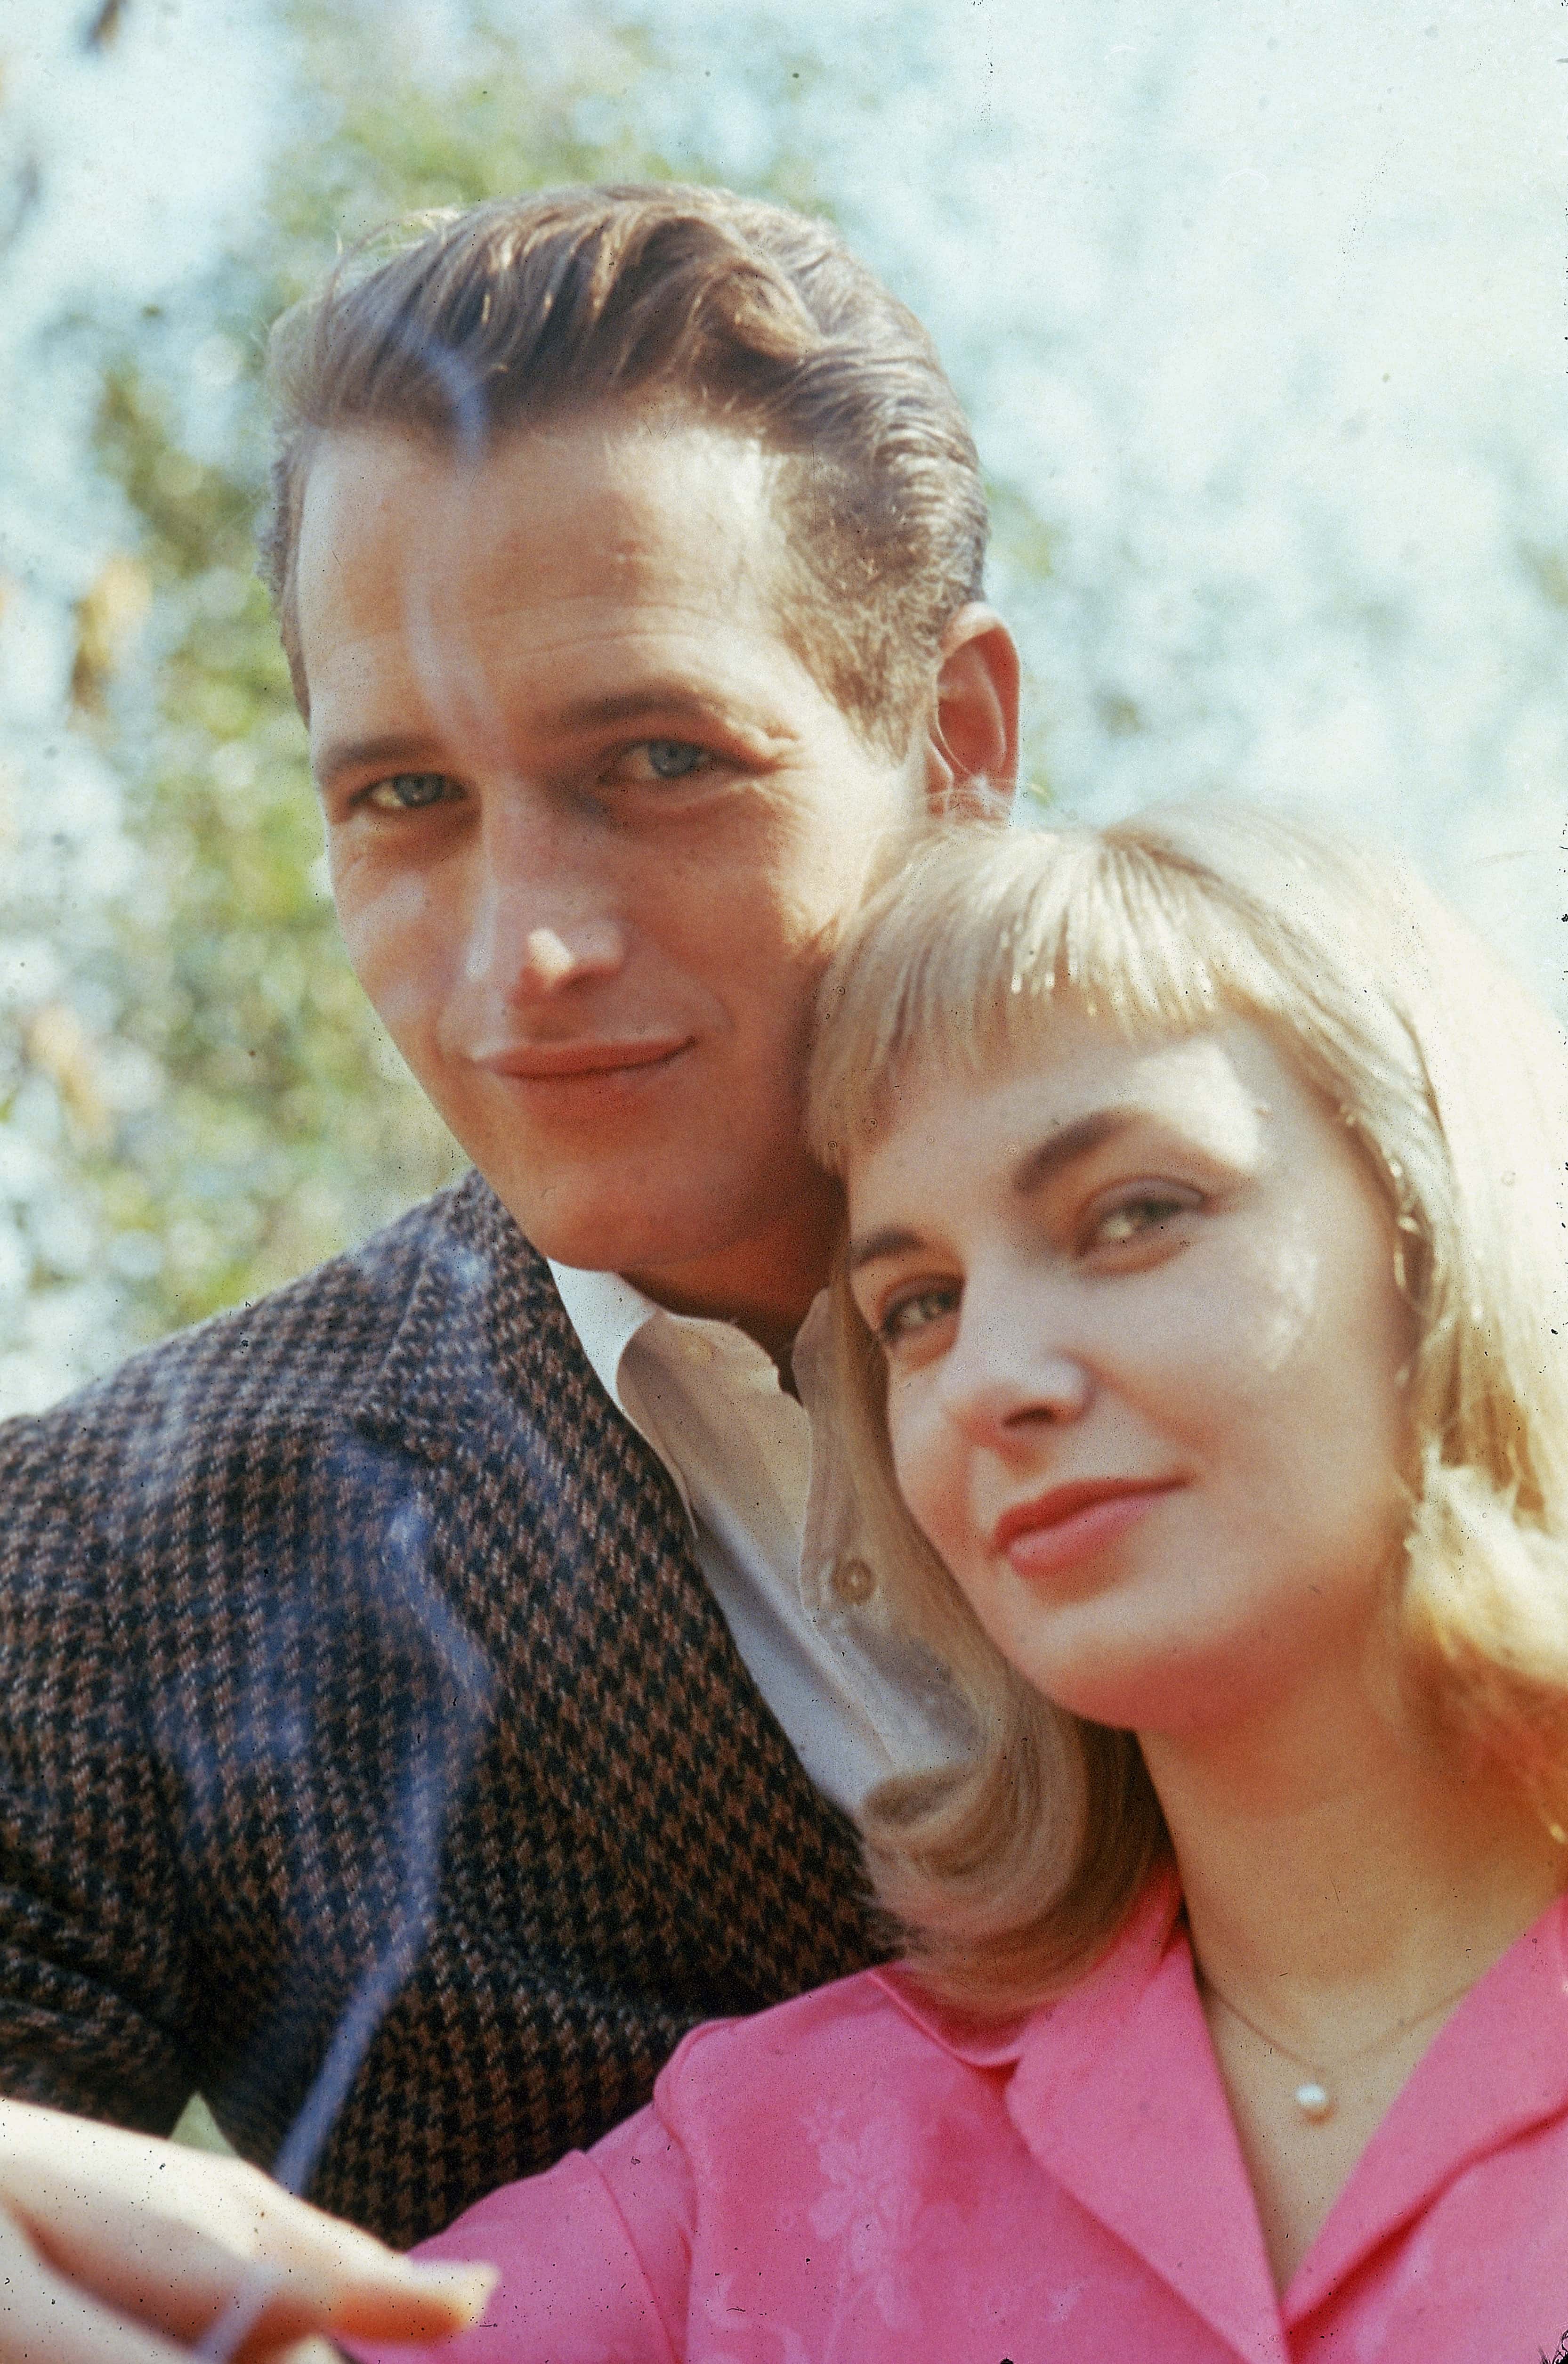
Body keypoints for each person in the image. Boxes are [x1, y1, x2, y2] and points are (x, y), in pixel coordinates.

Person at [0, 182, 1018, 2354]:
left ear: (958, 749)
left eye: (653, 762)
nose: (518, 957)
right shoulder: (116, 1553)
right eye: (403, 799)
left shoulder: (1377, 1323)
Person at [315, 803, 1568, 2361]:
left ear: (1442, 1231)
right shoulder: (747, 2168)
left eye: (1131, 1215)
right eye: (916, 1305)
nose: (986, 1378)